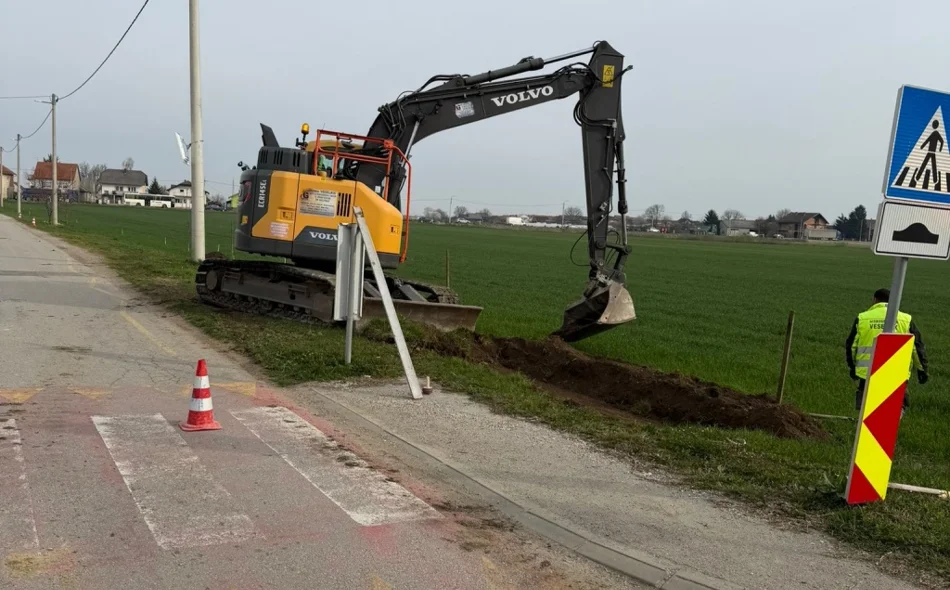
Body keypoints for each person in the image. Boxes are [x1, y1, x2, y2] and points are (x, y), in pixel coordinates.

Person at [845, 288, 928, 412]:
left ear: (874, 300)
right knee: (895, 410)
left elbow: (851, 346)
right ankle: (885, 429)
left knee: (868, 410)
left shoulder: (862, 318)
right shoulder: (906, 319)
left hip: (869, 373)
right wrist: (922, 370)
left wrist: (853, 367)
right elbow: (917, 347)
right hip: (895, 373)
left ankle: (867, 429)